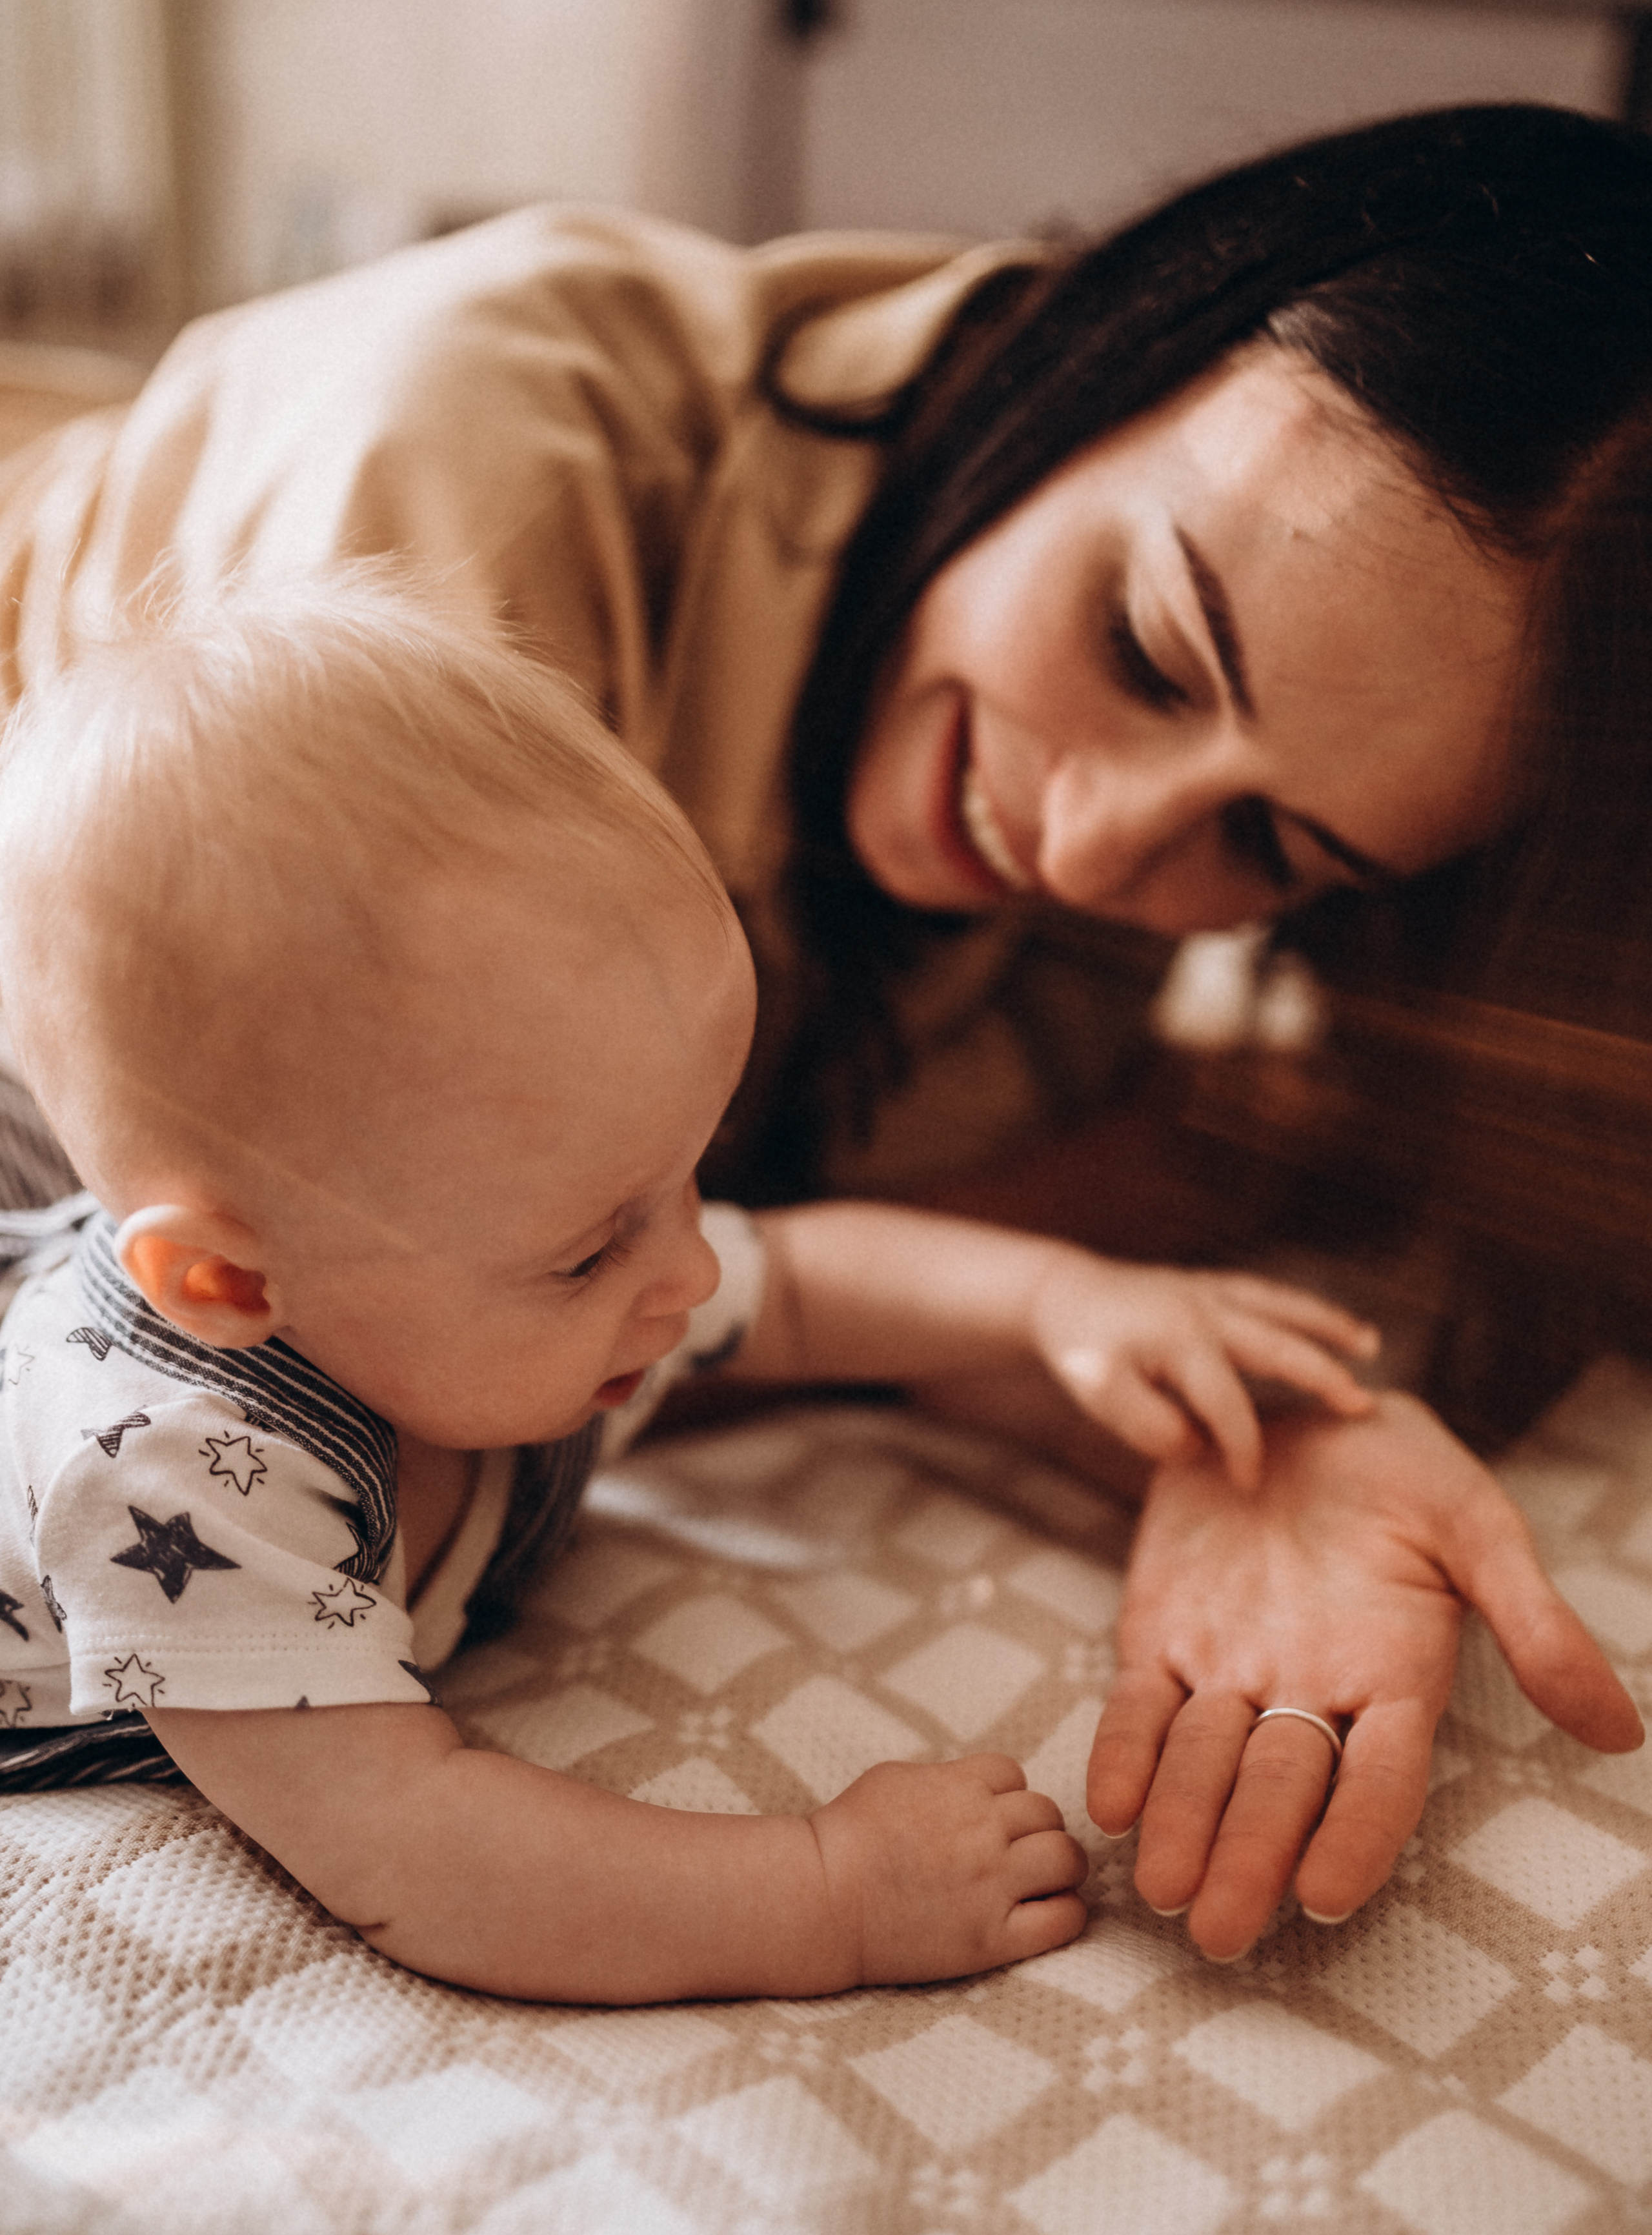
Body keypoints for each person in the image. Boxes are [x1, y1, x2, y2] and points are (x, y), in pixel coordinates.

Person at [0, 101, 1644, 1961]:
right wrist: (818, 1898)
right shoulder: (441, 504)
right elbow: (437, 1351)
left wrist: (1253, 1434)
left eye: (1272, 843)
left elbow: (769, 1276)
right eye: (1146, 645)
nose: (1094, 844)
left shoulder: (1080, 931)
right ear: (1117, 337)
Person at [0, 578, 1391, 2001]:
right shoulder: (173, 1484)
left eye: (683, 1177)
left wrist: (1061, 1302)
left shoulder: (505, 1269)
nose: (693, 1266)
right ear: (232, 1282)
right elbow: (425, 1853)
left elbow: (796, 1287)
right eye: (596, 1244)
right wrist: (827, 1892)